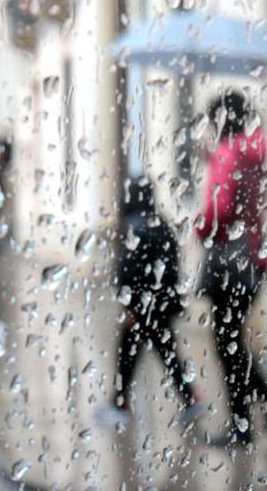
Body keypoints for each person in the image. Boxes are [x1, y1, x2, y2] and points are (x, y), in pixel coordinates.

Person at [195, 91, 267, 445]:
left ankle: (243, 425)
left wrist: (200, 226)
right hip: (253, 256)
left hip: (228, 261)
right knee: (233, 339)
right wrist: (215, 159)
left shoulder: (229, 153)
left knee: (226, 343)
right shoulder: (255, 152)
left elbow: (221, 208)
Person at [99, 178, 201, 426]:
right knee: (166, 353)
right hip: (163, 303)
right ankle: (191, 399)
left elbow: (129, 270)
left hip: (141, 306)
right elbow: (173, 265)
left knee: (127, 355)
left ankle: (119, 404)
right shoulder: (162, 222)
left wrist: (130, 305)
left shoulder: (133, 226)